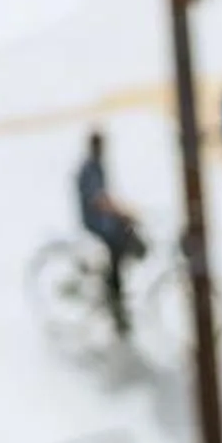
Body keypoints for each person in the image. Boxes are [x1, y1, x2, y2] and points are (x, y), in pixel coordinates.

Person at [75, 129, 145, 338]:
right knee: (118, 244)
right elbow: (100, 200)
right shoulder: (90, 169)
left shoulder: (96, 166)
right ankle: (114, 291)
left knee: (127, 234)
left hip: (102, 218)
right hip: (97, 222)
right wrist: (122, 213)